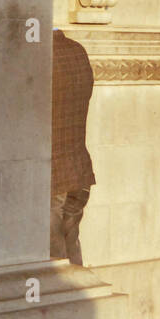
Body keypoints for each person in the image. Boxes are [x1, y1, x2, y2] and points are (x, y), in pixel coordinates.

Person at [51, 30, 97, 265]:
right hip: (79, 168)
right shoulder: (77, 50)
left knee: (54, 259)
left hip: (53, 175)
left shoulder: (37, 56)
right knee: (72, 244)